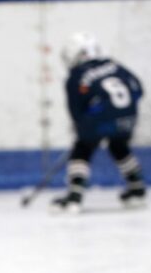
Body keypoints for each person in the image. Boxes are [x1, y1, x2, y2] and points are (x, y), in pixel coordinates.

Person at [52, 32, 146, 214]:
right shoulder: (114, 65)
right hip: (128, 117)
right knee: (119, 146)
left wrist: (84, 126)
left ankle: (74, 197)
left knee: (82, 149)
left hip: (99, 119)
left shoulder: (77, 75)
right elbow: (138, 88)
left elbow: (76, 110)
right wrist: (125, 111)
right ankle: (137, 190)